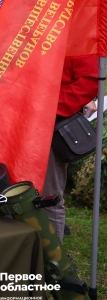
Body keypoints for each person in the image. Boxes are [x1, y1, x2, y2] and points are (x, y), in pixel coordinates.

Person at [43, 55, 99, 241]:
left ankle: (53, 263)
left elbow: (88, 83)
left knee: (49, 195)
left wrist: (45, 107)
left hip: (50, 123)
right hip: (18, 121)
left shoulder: (77, 33)